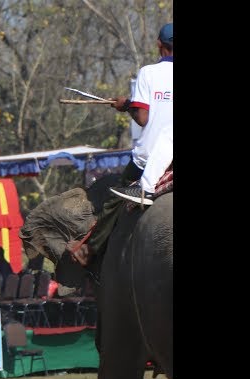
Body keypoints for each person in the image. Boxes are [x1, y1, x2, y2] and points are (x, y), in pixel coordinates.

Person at [69, 21, 172, 268]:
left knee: (112, 203)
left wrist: (127, 106)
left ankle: (88, 252)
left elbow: (143, 118)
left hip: (149, 160)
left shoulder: (149, 73)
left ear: (159, 45)